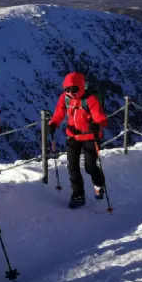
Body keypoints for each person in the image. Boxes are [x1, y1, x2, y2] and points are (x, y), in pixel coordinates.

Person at [47, 72, 109, 209]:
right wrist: (53, 124)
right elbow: (59, 113)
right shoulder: (65, 99)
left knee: (90, 166)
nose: (70, 92)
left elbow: (101, 118)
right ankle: (78, 194)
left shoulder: (90, 99)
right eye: (67, 89)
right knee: (72, 167)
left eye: (73, 89)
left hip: (90, 136)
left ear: (80, 87)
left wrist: (97, 124)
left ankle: (98, 184)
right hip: (73, 135)